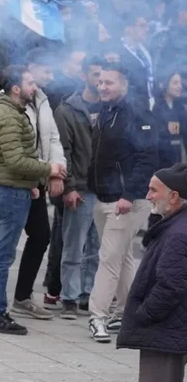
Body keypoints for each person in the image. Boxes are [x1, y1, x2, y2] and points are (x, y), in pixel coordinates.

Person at [0, 66, 65, 336]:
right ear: (16, 88)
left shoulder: (8, 110)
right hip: (10, 192)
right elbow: (15, 160)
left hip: (12, 188)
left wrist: (31, 184)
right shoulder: (9, 117)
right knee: (3, 256)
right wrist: (48, 169)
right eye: (29, 83)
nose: (34, 88)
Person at [87, 63, 158, 343]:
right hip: (104, 197)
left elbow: (147, 158)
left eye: (109, 83)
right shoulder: (106, 109)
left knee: (108, 258)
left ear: (124, 85)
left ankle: (97, 316)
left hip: (128, 200)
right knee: (123, 256)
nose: (102, 87)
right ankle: (127, 313)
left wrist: (129, 195)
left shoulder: (138, 112)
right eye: (100, 82)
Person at [117, 163, 187, 382]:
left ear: (174, 196)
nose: (148, 196)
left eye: (154, 190)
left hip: (166, 329)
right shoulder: (176, 226)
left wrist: (145, 313)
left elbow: (171, 285)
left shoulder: (177, 234)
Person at [54, 60, 103, 320]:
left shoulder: (111, 107)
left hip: (105, 189)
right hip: (81, 189)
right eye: (95, 75)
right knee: (74, 247)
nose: (100, 81)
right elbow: (64, 152)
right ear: (84, 75)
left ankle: (87, 295)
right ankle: (69, 298)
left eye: (103, 76)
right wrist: (69, 187)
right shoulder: (67, 110)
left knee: (96, 249)